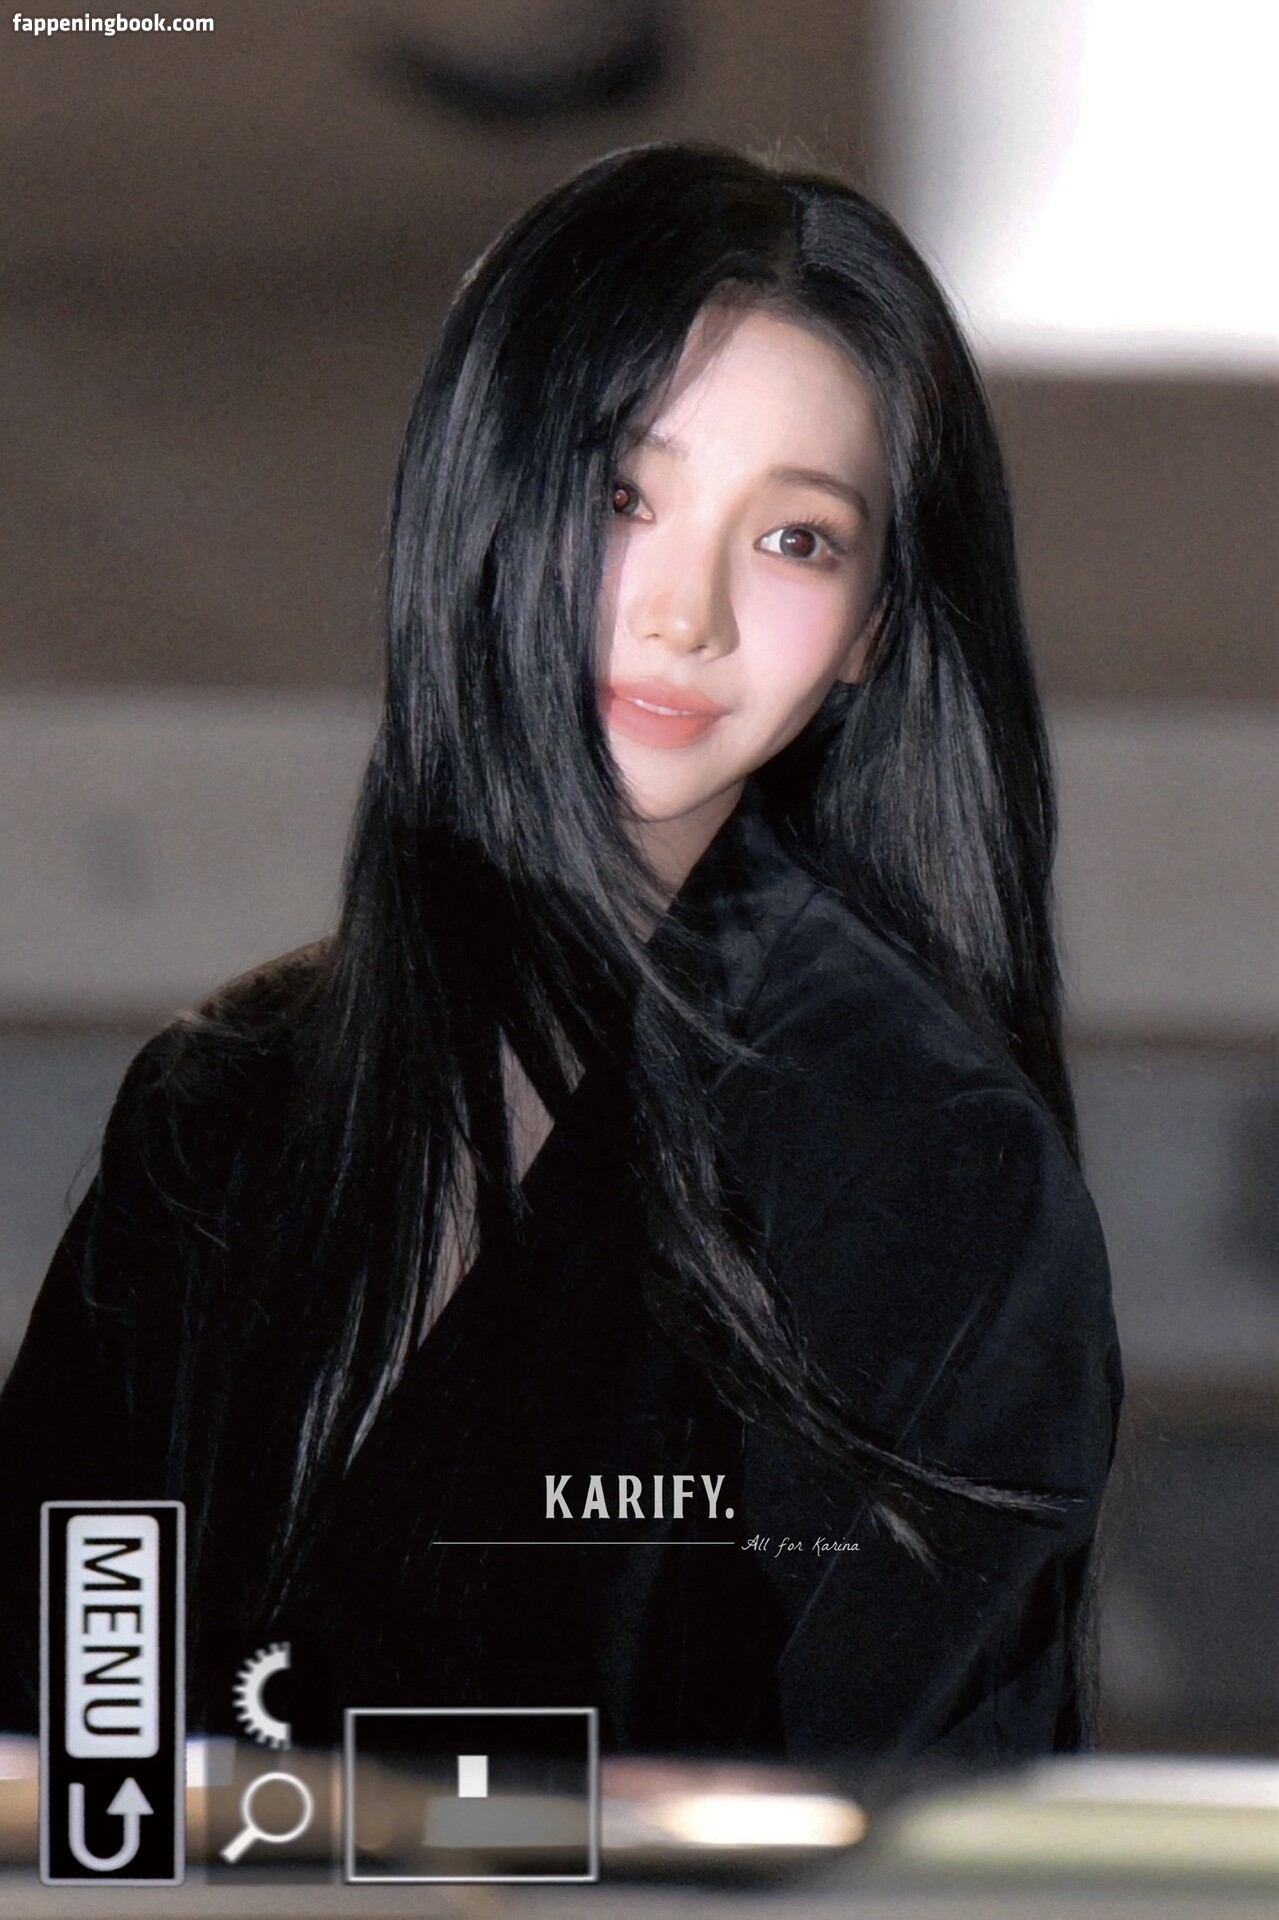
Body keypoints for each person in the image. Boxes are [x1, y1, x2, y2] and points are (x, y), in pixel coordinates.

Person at [0, 140, 1122, 1771]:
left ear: (876, 624)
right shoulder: (222, 1108)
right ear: (486, 488)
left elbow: (909, 1833)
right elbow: (63, 1720)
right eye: (624, 495)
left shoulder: (925, 1168)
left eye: (797, 540)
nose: (687, 615)